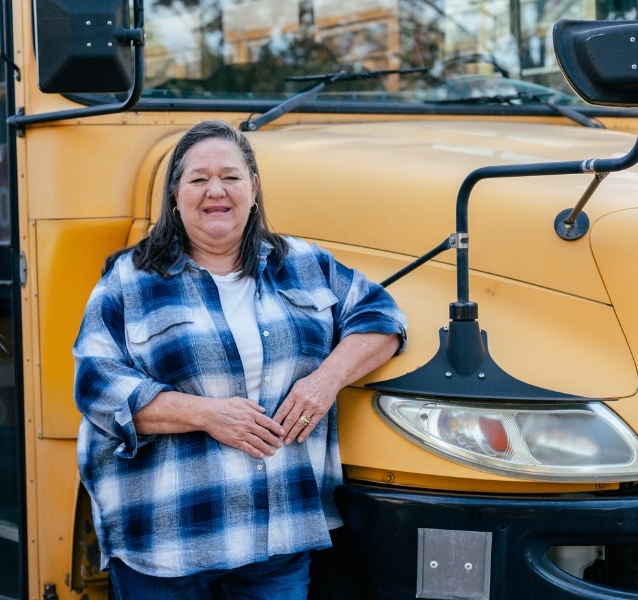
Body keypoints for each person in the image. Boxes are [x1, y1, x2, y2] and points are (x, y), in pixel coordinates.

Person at [72, 119, 407, 599]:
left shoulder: (305, 263)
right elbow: (95, 383)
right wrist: (207, 415)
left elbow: (383, 318)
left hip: (277, 537)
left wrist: (325, 381)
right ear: (175, 195)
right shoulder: (131, 278)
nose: (216, 191)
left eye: (230, 177)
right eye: (199, 178)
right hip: (168, 543)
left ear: (253, 189)